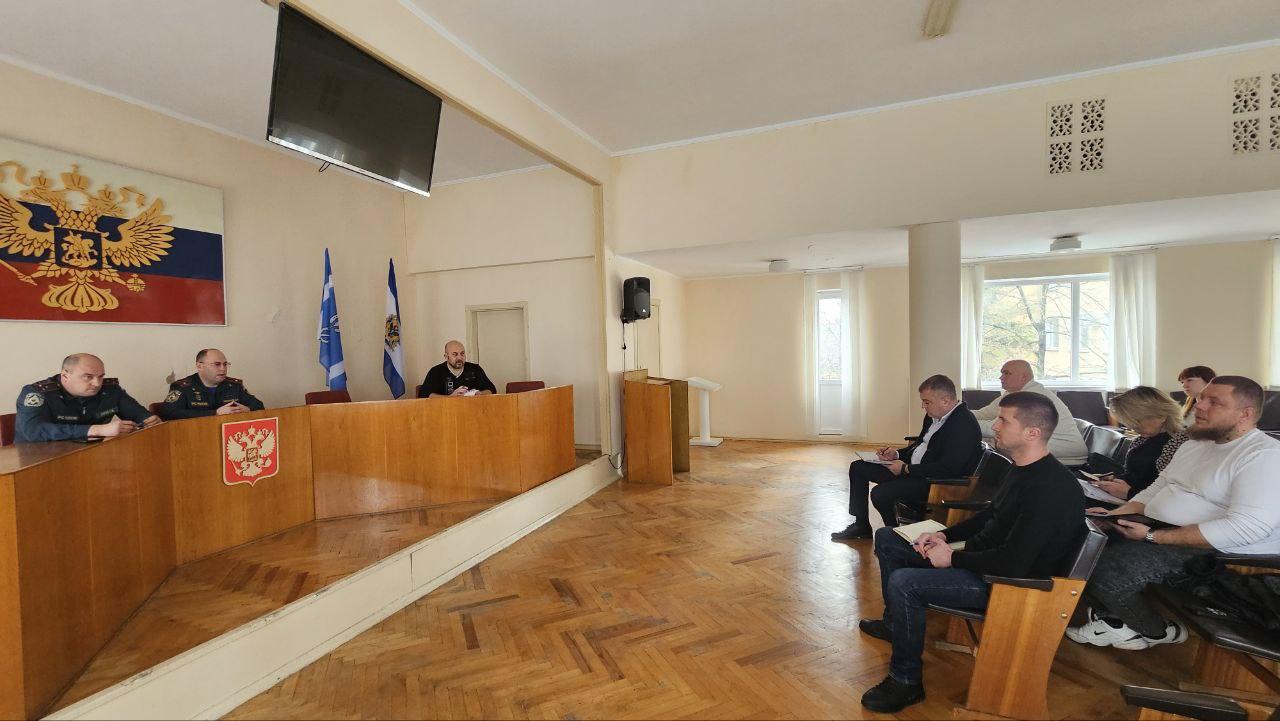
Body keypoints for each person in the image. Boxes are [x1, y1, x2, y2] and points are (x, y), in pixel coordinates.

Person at [857, 391, 1086, 713]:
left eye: (1004, 420)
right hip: (985, 561)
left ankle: (906, 681)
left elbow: (1015, 563)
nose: (995, 426)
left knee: (904, 583)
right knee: (887, 538)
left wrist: (952, 557)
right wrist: (943, 535)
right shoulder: (1023, 468)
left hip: (1010, 585)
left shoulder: (1051, 488)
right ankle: (896, 625)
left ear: (1032, 433)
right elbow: (990, 516)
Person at [1067, 375, 1280, 651]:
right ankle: (1113, 621)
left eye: (1214, 402)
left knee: (1104, 570)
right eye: (1201, 398)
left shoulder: (1263, 456)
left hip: (1212, 549)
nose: (1199, 406)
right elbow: (1156, 488)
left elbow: (1247, 528)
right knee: (1080, 541)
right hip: (1160, 528)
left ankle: (1157, 631)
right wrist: (1117, 514)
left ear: (1246, 414)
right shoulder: (1195, 444)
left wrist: (1154, 536)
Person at [832, 375, 982, 540]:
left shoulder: (963, 424)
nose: (923, 406)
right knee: (858, 468)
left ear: (945, 401)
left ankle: (895, 537)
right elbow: (920, 446)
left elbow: (949, 468)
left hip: (934, 482)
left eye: (927, 402)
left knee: (880, 494)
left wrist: (906, 469)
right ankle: (861, 525)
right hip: (913, 471)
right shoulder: (934, 416)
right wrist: (896, 454)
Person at [14, 353, 161, 442]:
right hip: (38, 461)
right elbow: (33, 431)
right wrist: (96, 430)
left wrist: (149, 422)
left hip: (92, 456)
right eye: (88, 377)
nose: (97, 383)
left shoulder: (110, 390)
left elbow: (140, 416)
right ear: (65, 375)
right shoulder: (37, 393)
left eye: (100, 376)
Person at [972, 359, 1087, 465]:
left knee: (998, 441)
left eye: (1007, 373)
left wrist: (963, 423)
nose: (1001, 377)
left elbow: (996, 428)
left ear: (1024, 376)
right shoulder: (1014, 393)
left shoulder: (1031, 395)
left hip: (1066, 451)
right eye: (1002, 373)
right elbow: (984, 414)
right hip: (1048, 445)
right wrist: (962, 413)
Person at [1089, 386, 1188, 501]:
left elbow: (1173, 495)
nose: (1132, 427)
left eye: (1137, 421)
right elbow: (1134, 475)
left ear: (1162, 416)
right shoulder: (1141, 439)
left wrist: (1130, 493)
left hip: (1147, 504)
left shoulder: (1180, 444)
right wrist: (1116, 479)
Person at [159, 349, 265, 419]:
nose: (223, 369)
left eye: (225, 364)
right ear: (200, 366)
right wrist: (215, 414)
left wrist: (248, 409)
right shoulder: (182, 386)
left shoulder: (234, 385)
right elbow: (168, 413)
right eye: (217, 364)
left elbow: (259, 405)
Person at [417, 340, 497, 398]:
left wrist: (479, 394)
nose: (459, 358)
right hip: (445, 411)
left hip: (472, 409)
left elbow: (491, 389)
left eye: (462, 354)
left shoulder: (475, 369)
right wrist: (450, 397)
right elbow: (424, 394)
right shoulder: (436, 371)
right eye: (455, 354)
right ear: (446, 357)